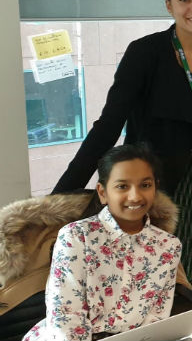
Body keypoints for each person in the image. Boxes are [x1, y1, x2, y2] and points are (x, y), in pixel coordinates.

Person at [51, 0, 192, 302]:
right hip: (160, 188)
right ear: (168, 4)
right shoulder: (144, 53)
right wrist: (60, 196)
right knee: (166, 279)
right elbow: (108, 127)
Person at [24, 145, 182, 341]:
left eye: (145, 185)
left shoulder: (168, 245)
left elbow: (157, 318)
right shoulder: (76, 237)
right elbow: (65, 319)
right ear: (102, 192)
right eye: (122, 186)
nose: (135, 196)